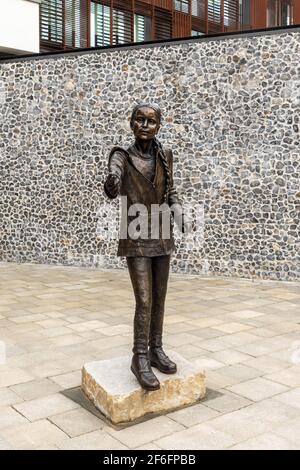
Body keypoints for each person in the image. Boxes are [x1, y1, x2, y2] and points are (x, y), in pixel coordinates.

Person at [104, 103, 187, 391]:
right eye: (139, 119)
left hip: (162, 233)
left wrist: (178, 212)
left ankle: (156, 349)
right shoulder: (121, 156)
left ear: (158, 126)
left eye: (150, 121)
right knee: (144, 299)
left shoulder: (165, 155)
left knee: (160, 297)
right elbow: (113, 179)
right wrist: (112, 183)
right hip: (135, 233)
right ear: (131, 123)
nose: (144, 125)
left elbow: (171, 190)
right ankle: (139, 357)